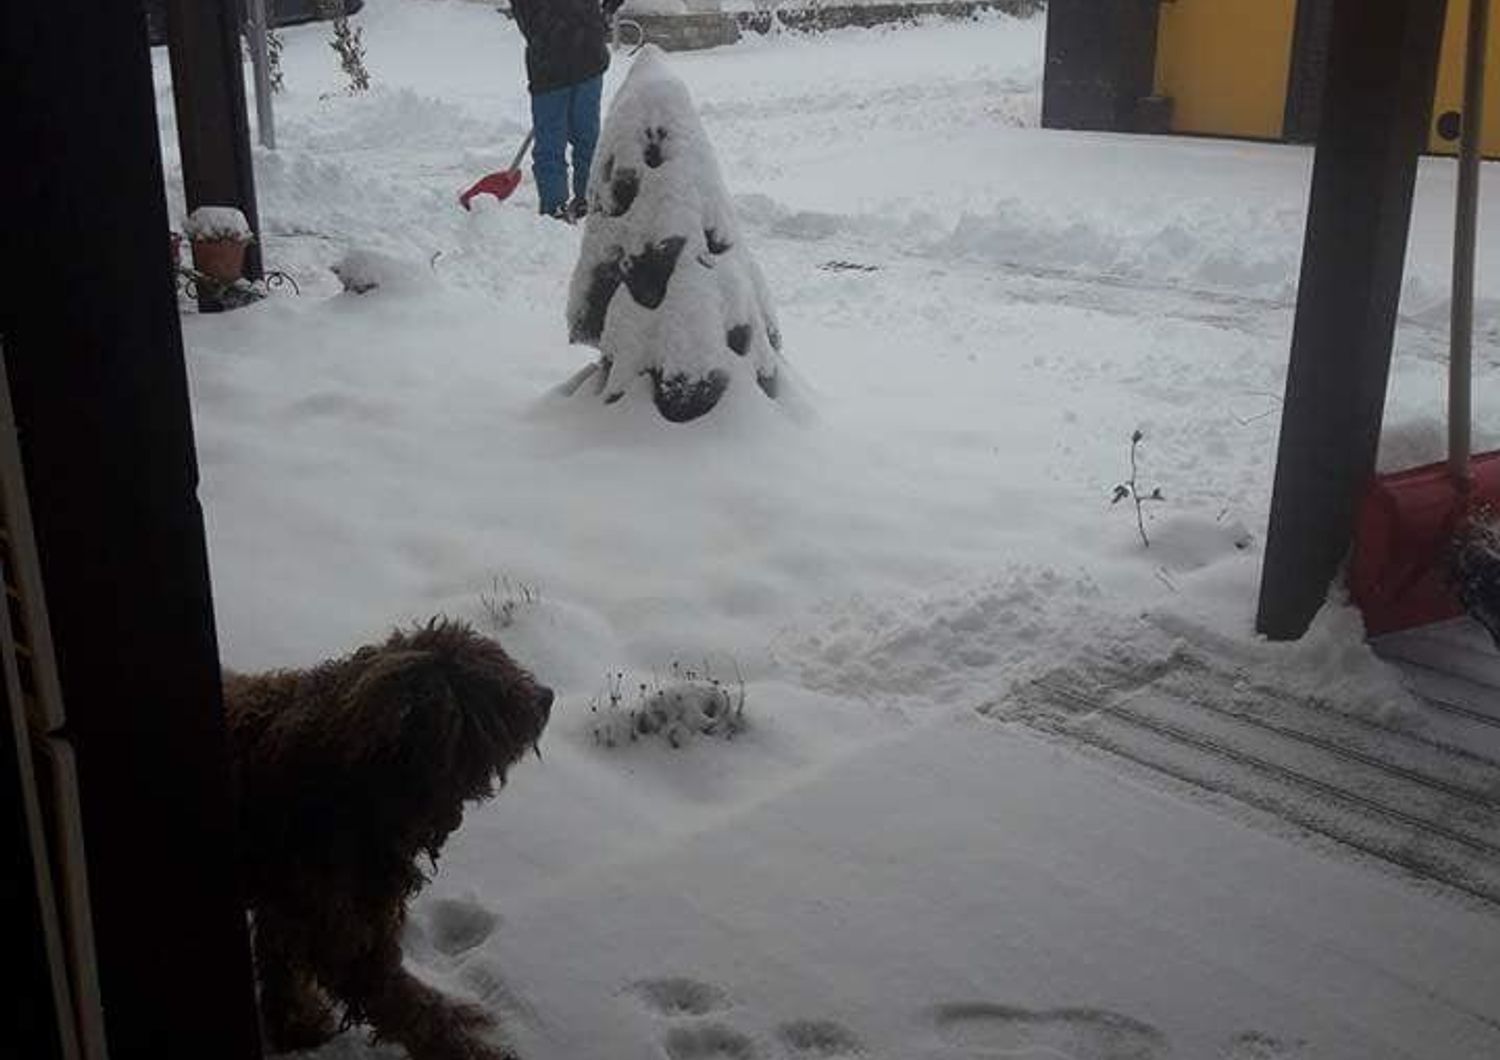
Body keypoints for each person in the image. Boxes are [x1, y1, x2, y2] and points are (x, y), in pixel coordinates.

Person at [509, 0, 624, 222]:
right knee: (573, 139)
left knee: (570, 139)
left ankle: (570, 205)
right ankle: (570, 204)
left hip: (568, 58)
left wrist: (605, 13)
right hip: (566, 58)